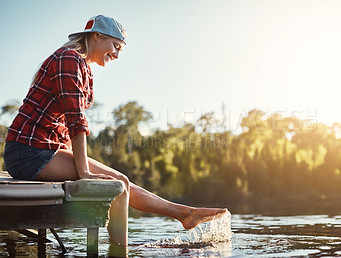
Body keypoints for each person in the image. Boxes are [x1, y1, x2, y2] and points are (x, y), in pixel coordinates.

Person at [3, 15, 227, 246]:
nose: (116, 55)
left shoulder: (83, 68)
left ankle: (184, 214)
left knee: (123, 182)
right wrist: (84, 173)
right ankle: (120, 250)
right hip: (28, 152)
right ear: (97, 36)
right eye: (115, 46)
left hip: (42, 150)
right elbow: (76, 121)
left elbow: (62, 126)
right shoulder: (68, 59)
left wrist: (79, 163)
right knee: (117, 185)